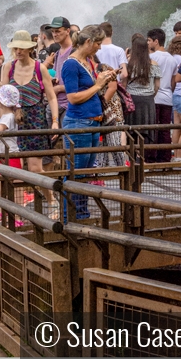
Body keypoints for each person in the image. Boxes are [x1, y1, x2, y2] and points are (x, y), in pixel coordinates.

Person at [61, 25, 115, 218]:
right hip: (79, 123)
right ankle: (70, 217)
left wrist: (103, 80)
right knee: (77, 173)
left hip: (93, 123)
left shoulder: (88, 61)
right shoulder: (71, 64)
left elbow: (92, 89)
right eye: (98, 43)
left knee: (86, 173)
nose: (99, 48)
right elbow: (73, 97)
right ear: (88, 42)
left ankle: (81, 213)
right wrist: (98, 84)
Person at [0, 31, 58, 173]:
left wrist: (55, 121)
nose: (18, 51)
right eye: (16, 48)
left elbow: (51, 97)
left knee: (35, 168)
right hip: (14, 121)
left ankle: (49, 196)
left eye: (22, 48)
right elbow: (3, 100)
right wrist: (2, 125)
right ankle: (27, 195)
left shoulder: (40, 68)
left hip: (35, 121)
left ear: (30, 49)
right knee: (14, 169)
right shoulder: (8, 67)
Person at [121, 34, 161, 157]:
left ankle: (132, 157)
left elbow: (124, 83)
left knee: (131, 130)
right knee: (145, 131)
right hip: (148, 100)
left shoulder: (128, 63)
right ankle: (141, 157)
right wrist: (150, 95)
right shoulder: (153, 64)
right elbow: (157, 85)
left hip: (132, 100)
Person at [146, 28, 177, 163]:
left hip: (154, 97)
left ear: (156, 41)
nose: (147, 43)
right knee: (165, 128)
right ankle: (165, 157)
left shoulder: (151, 58)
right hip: (168, 98)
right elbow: (173, 81)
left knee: (153, 128)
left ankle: (151, 157)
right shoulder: (172, 59)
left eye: (149, 40)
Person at [93, 63, 126, 169]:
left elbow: (112, 88)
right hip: (99, 111)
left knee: (114, 143)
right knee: (101, 144)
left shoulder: (104, 68)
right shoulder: (86, 69)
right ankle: (100, 173)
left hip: (111, 110)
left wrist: (101, 106)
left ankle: (124, 169)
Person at [49, 17, 74, 126]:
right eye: (53, 31)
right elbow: (55, 74)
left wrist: (59, 88)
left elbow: (83, 83)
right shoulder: (58, 53)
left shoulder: (75, 52)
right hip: (56, 105)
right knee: (49, 141)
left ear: (68, 31)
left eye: (58, 31)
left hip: (70, 106)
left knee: (68, 142)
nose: (55, 34)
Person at [168, 34, 181, 158]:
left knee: (176, 127)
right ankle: (180, 157)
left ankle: (175, 155)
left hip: (174, 95)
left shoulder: (171, 58)